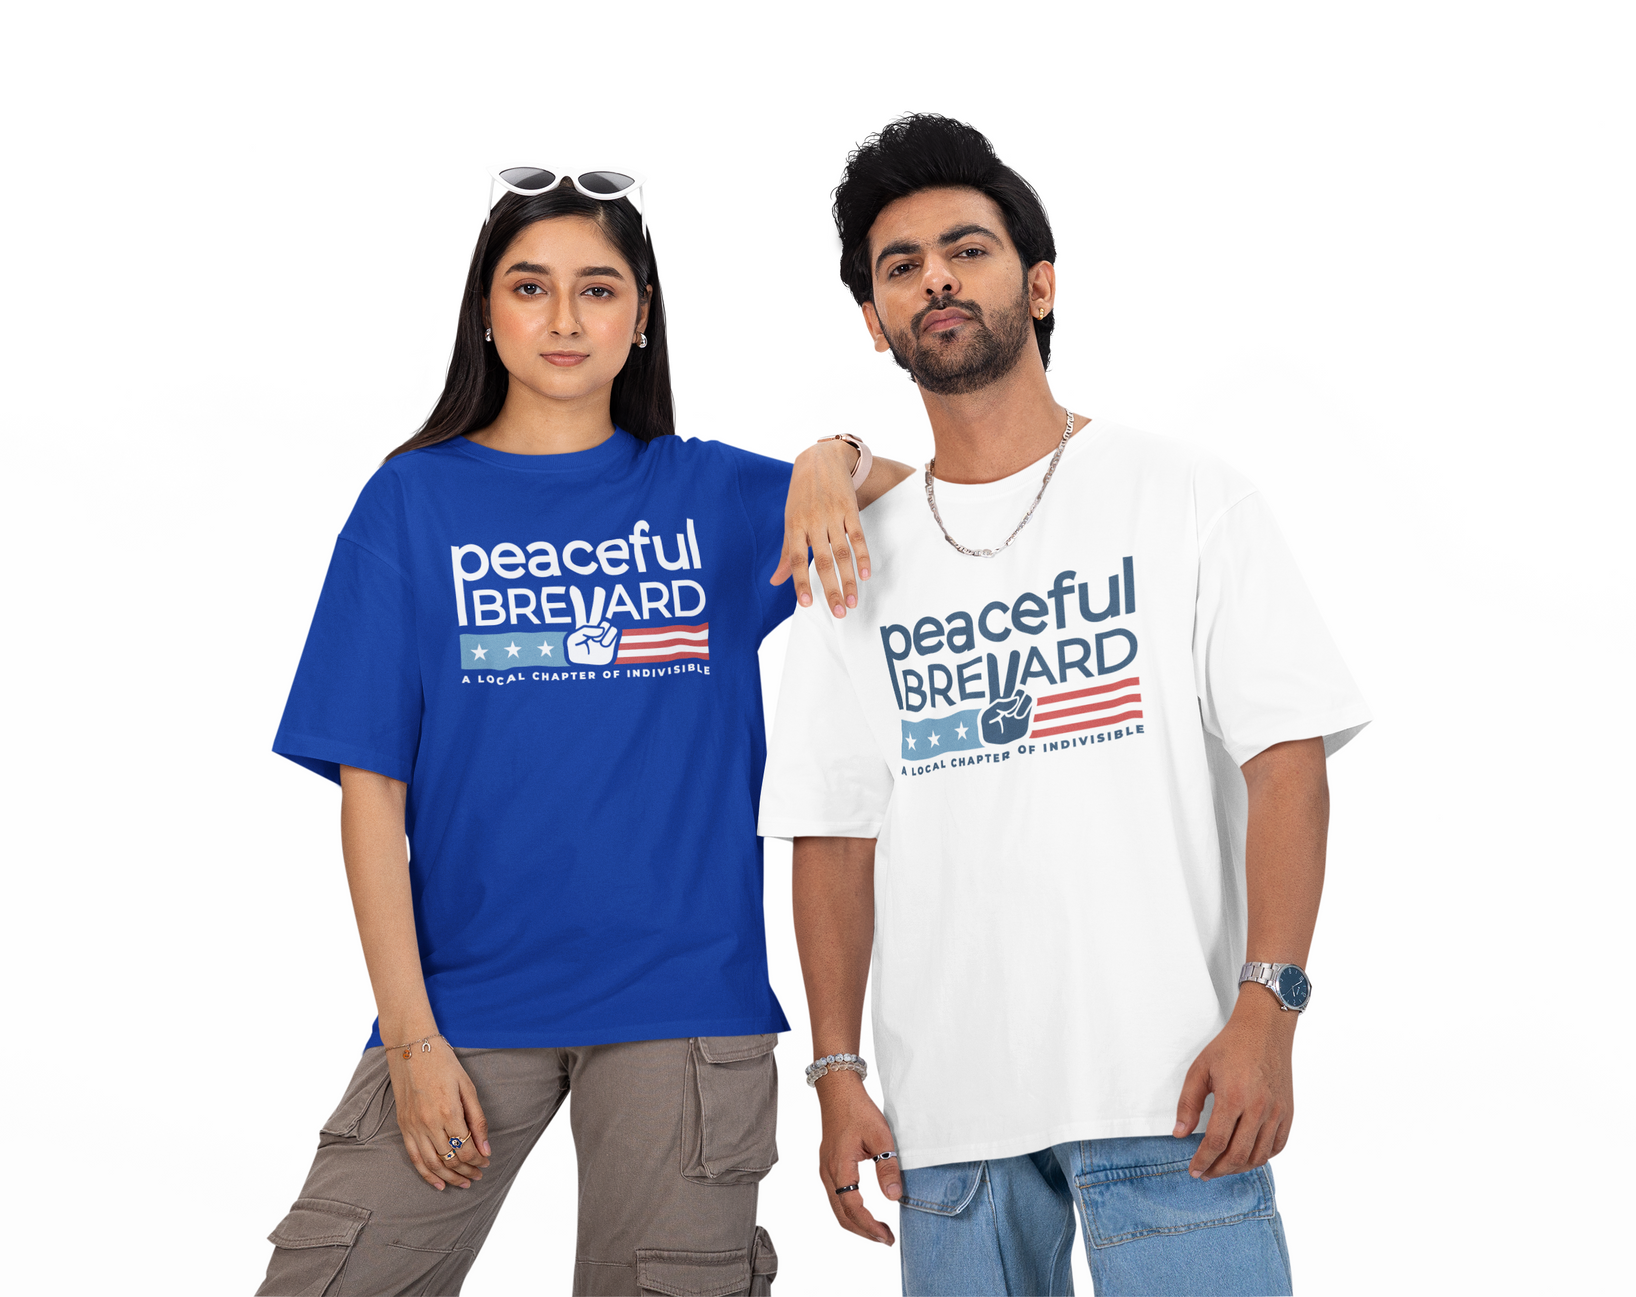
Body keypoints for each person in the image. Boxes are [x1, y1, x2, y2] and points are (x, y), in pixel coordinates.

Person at [256, 169, 905, 1297]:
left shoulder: (706, 494)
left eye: (597, 290)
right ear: (487, 309)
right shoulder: (411, 502)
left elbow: (941, 504)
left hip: (681, 1010)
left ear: (640, 315)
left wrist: (824, 459)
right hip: (460, 1014)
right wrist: (408, 1039)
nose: (563, 320)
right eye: (530, 287)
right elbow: (372, 796)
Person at [757, 116, 1371, 1296]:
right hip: (951, 1136)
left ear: (1037, 285)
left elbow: (1285, 762)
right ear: (875, 322)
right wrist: (836, 1069)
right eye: (900, 266)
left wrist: (1269, 1010)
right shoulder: (847, 560)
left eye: (967, 248)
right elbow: (832, 828)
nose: (934, 276)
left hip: (1176, 1094)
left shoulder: (1183, 496)